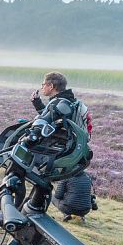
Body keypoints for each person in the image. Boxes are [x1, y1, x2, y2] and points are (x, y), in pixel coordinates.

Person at [30, 72, 96, 220]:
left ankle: (35, 215)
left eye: (43, 84)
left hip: (59, 152)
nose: (42, 87)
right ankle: (36, 213)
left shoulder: (61, 103)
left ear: (51, 86)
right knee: (43, 184)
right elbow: (55, 119)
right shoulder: (68, 101)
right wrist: (37, 103)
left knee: (41, 181)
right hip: (72, 152)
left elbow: (51, 120)